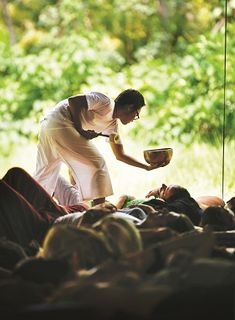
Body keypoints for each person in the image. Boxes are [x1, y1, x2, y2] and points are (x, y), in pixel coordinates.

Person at [34, 89, 169, 206]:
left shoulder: (112, 127)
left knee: (45, 174)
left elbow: (120, 155)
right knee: (98, 164)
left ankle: (27, 207)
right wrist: (80, 129)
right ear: (129, 107)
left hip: (48, 126)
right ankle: (100, 211)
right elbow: (74, 101)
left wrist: (147, 167)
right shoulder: (105, 102)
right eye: (136, 114)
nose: (135, 118)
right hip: (59, 122)